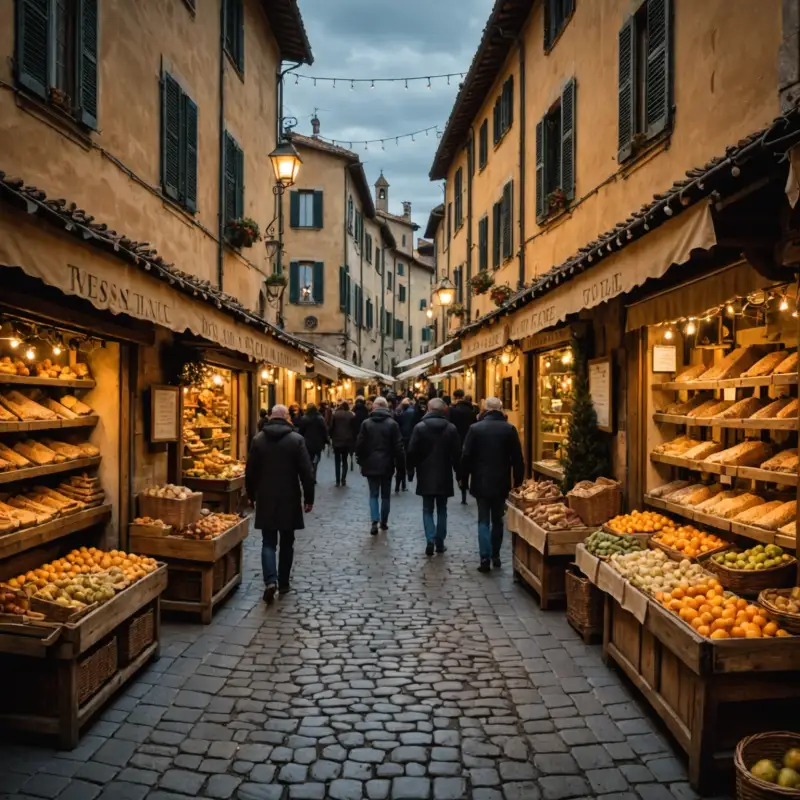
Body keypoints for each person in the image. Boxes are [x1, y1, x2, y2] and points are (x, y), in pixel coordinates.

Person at [245, 405, 314, 603]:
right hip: (289, 496)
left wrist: (250, 495)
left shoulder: (258, 440)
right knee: (287, 541)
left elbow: (251, 471)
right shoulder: (296, 440)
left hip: (265, 496)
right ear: (286, 418)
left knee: (268, 541)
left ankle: (270, 581)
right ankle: (283, 583)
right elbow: (307, 473)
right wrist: (309, 498)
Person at [462, 397, 525, 573]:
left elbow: (466, 455)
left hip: (480, 480)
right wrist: (518, 481)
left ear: (485, 409)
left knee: (483, 519)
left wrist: (463, 477)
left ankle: (485, 557)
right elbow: (517, 458)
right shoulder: (509, 429)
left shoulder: (475, 429)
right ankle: (496, 555)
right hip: (501, 481)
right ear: (501, 409)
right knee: (497, 519)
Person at [407, 398, 461, 557]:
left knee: (427, 509)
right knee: (442, 509)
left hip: (425, 473)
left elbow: (411, 451)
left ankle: (430, 538)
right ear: (444, 410)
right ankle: (440, 542)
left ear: (429, 409)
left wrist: (410, 471)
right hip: (444, 473)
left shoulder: (420, 427)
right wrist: (459, 474)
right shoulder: (451, 428)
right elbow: (457, 454)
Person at [355, 396, 405, 535]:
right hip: (387, 464)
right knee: (385, 495)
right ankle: (384, 522)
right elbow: (398, 446)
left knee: (373, 494)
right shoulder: (392, 424)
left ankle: (374, 521)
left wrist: (360, 460)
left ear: (374, 407)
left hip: (370, 463)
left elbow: (360, 444)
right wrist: (399, 464)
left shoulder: (366, 423)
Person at [449, 389, 479, 505]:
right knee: (470, 465)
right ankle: (468, 486)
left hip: (457, 441)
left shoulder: (453, 410)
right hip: (471, 441)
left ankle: (462, 485)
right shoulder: (473, 410)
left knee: (459, 465)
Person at [297, 403, 329, 481]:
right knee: (317, 459)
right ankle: (313, 473)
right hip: (318, 443)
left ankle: (310, 473)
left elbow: (301, 431)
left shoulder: (304, 418)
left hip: (307, 443)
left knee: (308, 459)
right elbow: (324, 430)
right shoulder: (320, 418)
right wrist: (326, 440)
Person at [329, 401, 356, 486]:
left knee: (337, 461)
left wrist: (330, 436)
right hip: (347, 440)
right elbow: (353, 428)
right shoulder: (351, 415)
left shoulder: (335, 414)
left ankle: (337, 481)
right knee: (345, 460)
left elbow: (331, 427)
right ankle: (343, 479)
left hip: (337, 440)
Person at [395, 397, 417, 491]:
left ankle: (398, 485)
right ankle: (405, 481)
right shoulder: (412, 412)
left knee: (400, 463)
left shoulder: (397, 412)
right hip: (409, 437)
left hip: (400, 438)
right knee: (407, 460)